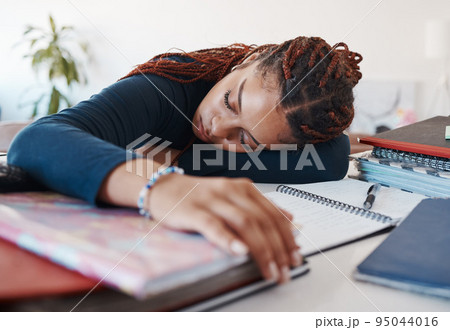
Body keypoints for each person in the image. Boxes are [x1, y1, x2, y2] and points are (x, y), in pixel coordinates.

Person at [8, 36, 362, 284]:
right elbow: (35, 142)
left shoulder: (246, 137)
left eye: (245, 138)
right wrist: (161, 185)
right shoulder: (166, 86)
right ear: (247, 61)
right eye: (229, 102)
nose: (217, 127)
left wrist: (189, 160)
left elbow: (334, 156)